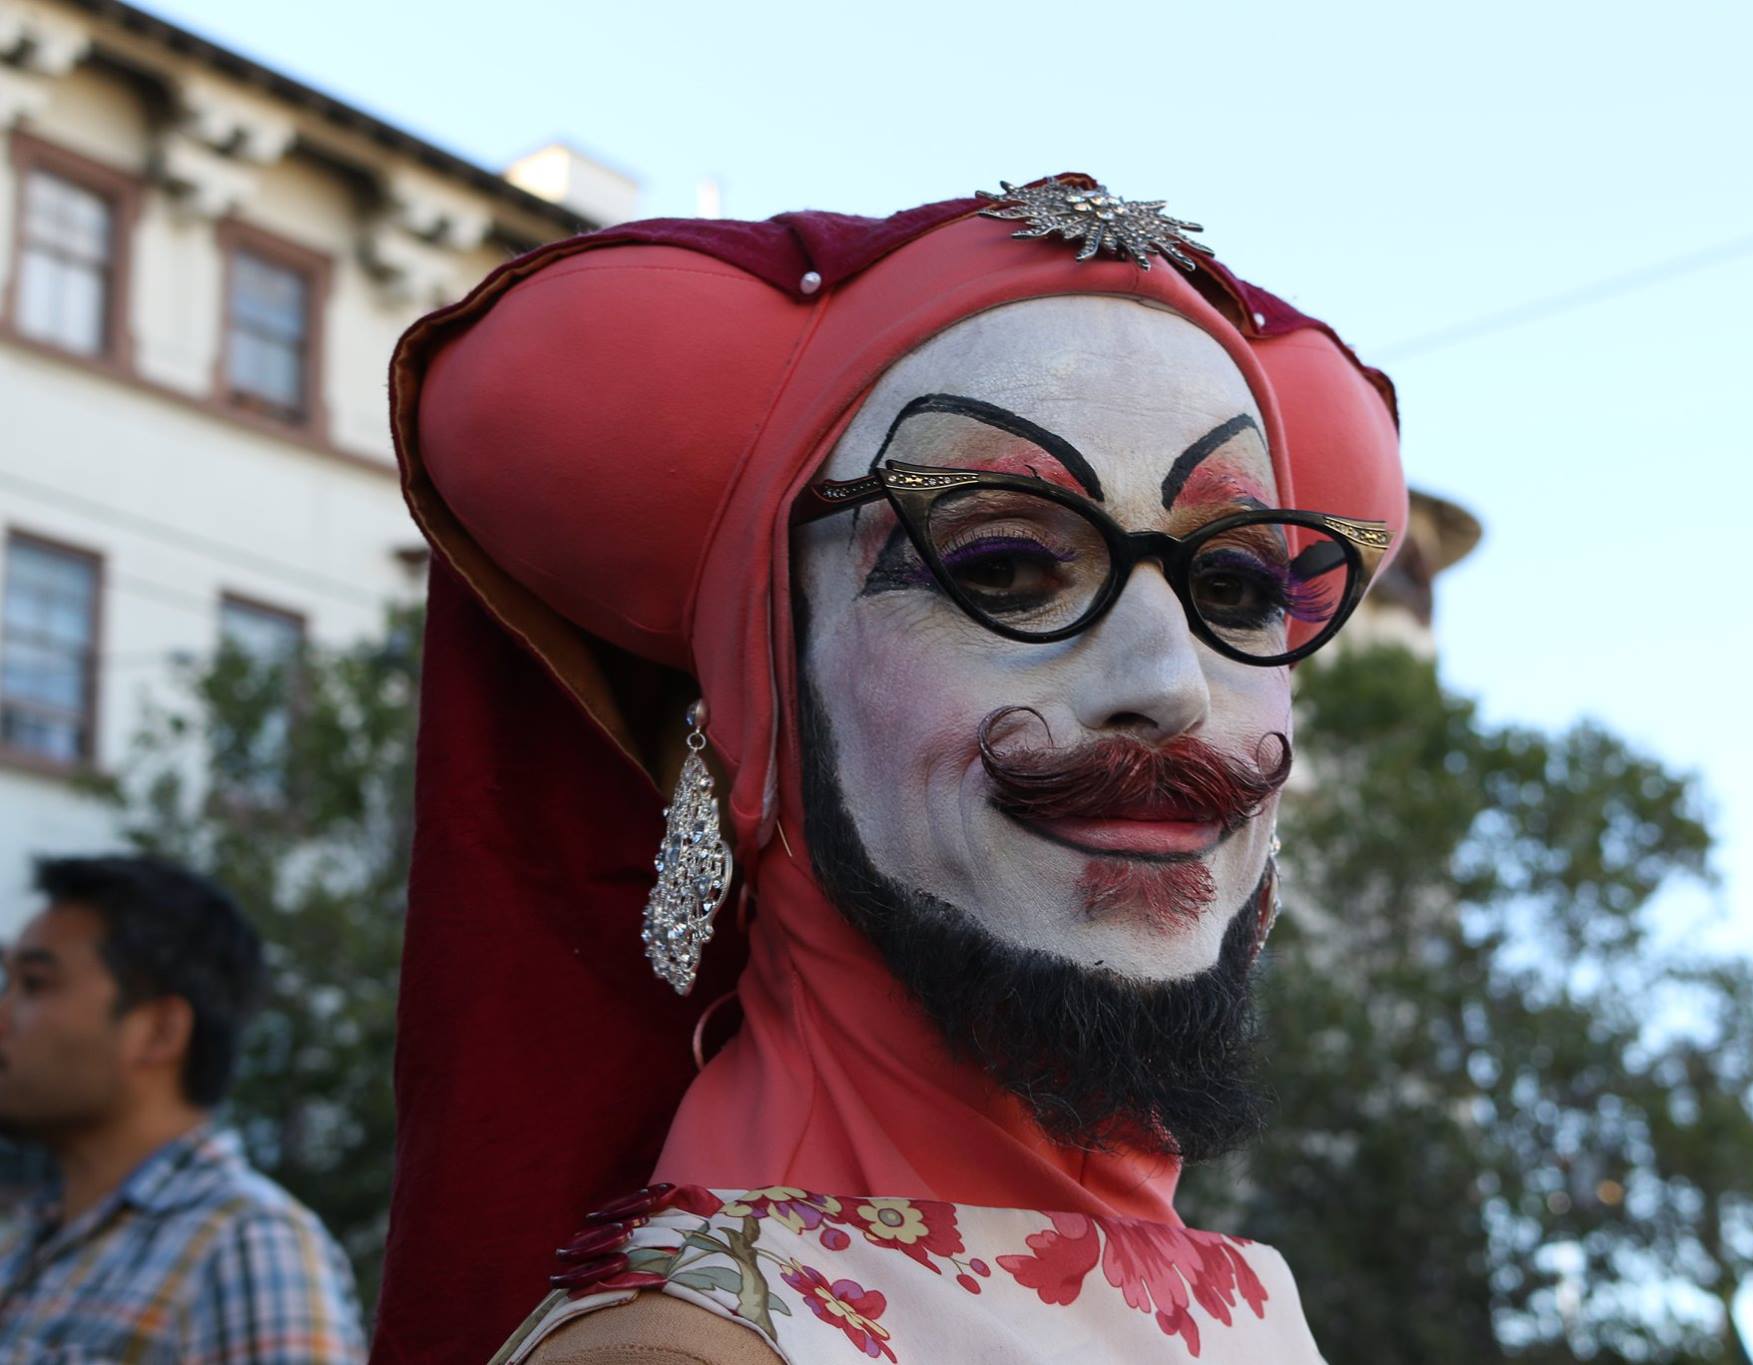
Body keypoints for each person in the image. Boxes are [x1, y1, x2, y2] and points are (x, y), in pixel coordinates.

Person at [373, 174, 1406, 1363]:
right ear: (759, 710)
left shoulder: (1233, 1306)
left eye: (1232, 586)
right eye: (1003, 565)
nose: (1169, 685)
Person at [0, 855, 366, 1362]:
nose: (4, 1014)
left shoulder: (246, 1245)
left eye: (35, 984)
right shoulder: (24, 1241)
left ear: (160, 1031)